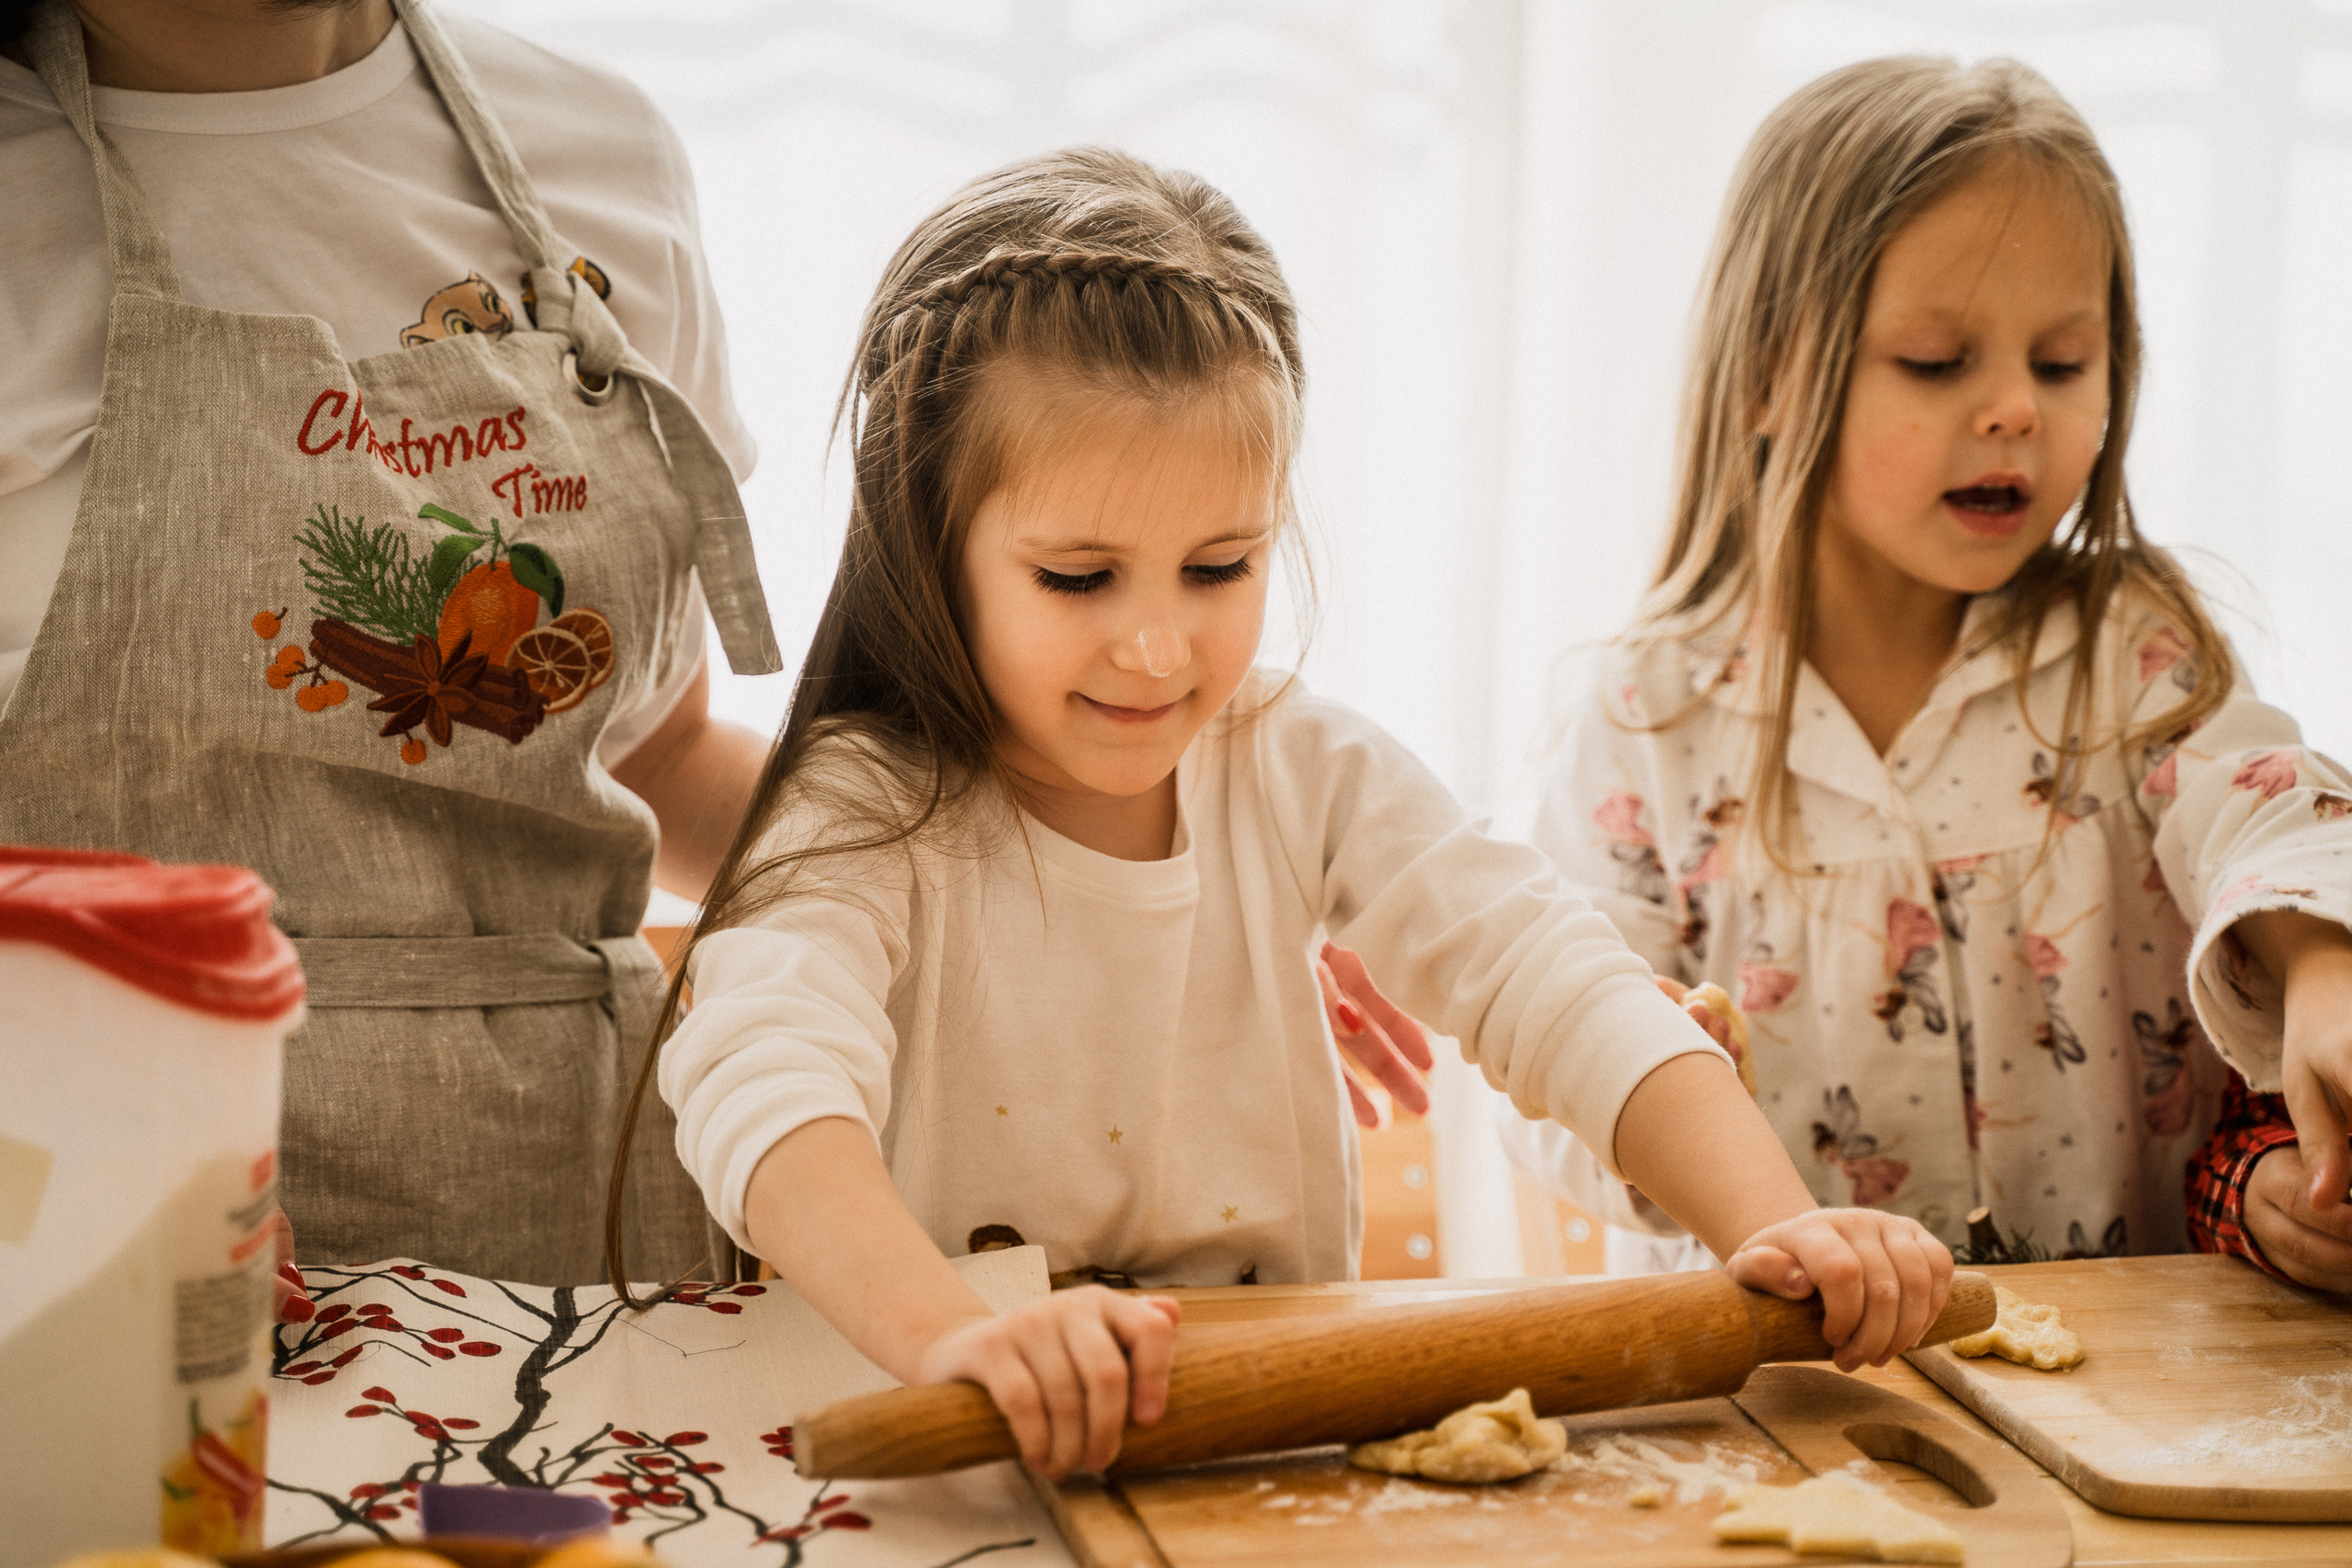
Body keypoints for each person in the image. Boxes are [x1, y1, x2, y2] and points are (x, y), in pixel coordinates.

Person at [622, 146, 1955, 1483]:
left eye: (1220, 567)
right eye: (1079, 578)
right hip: (969, 1448)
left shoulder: (1299, 766)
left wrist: (1781, 1227)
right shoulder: (863, 813)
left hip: (1261, 1445)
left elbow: (1552, 978)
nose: (1158, 647)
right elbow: (766, 1085)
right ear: (927, 545)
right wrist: (954, 1335)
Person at [1491, 56, 2352, 1292]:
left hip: (2123, 1373)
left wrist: (2321, 962)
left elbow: (2275, 813)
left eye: (2063, 363)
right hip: (1791, 1375)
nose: (2014, 410)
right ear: (1770, 374)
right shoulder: (1647, 718)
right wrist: (1644, 1060)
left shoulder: (2132, 659)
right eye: (1938, 361)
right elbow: (1547, 1048)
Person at [0, 0, 779, 1289]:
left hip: (609, 1229)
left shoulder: (605, 149)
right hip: (120, 1252)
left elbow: (661, 754)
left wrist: (1010, 862)